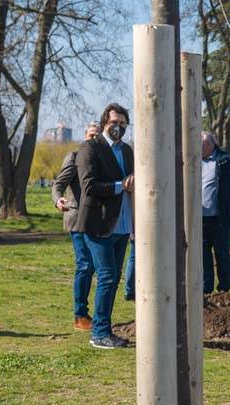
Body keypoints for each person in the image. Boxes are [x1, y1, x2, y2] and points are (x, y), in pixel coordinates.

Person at [76, 103, 134, 349]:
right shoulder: (90, 148)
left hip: (122, 226)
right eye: (114, 123)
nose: (118, 127)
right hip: (98, 225)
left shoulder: (127, 151)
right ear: (103, 124)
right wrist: (121, 186)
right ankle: (99, 333)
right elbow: (89, 186)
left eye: (122, 124)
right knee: (107, 277)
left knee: (113, 279)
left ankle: (104, 329)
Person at [53, 121, 100, 331]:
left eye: (97, 135)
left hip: (98, 220)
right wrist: (58, 199)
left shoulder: (103, 158)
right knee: (85, 265)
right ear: (85, 135)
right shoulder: (74, 156)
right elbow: (59, 184)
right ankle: (80, 315)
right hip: (77, 217)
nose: (94, 138)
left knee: (101, 268)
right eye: (91, 135)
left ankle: (96, 315)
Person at [201, 132, 230, 294]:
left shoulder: (227, 160)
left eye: (200, 145)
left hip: (220, 218)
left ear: (210, 145)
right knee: (203, 255)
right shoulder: (194, 160)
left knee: (221, 254)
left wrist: (229, 201)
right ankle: (206, 290)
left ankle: (224, 291)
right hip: (200, 219)